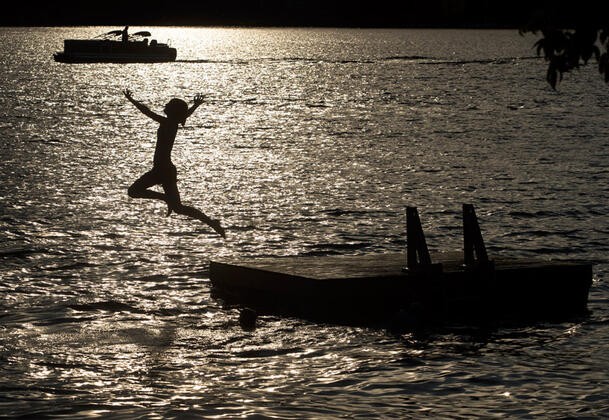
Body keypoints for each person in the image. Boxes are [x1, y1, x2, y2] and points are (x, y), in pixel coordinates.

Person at [123, 89, 226, 238]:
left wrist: (131, 100)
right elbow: (185, 115)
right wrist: (195, 106)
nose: (165, 105)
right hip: (164, 170)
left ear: (172, 111)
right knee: (178, 208)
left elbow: (147, 112)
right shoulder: (174, 122)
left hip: (162, 171)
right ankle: (212, 223)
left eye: (168, 105)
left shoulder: (168, 122)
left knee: (133, 191)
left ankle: (166, 199)